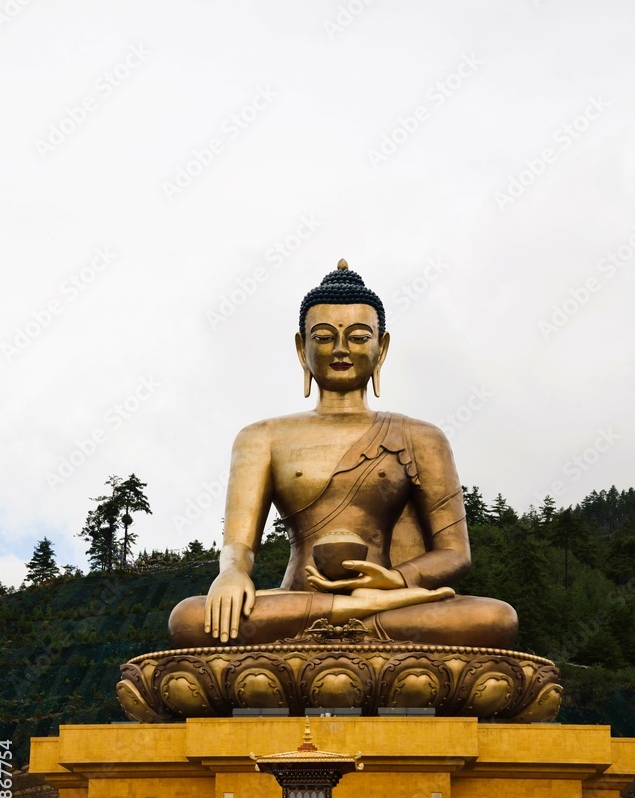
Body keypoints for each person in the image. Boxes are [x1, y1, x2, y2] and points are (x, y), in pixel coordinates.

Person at [169, 261, 518, 653]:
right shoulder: (261, 437)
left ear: (381, 348)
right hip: (304, 597)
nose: (339, 349)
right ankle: (349, 612)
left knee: (495, 618)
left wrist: (396, 581)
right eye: (323, 337)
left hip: (385, 601)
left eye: (357, 337)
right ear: (301, 348)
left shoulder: (421, 437)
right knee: (189, 618)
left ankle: (351, 613)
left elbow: (454, 553)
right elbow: (240, 545)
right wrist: (233, 574)